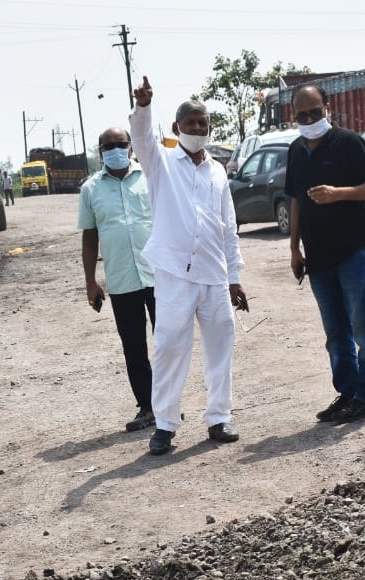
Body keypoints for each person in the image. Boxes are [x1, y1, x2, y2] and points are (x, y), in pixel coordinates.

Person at [129, 75, 248, 456]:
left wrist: (235, 276)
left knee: (220, 346)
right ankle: (165, 424)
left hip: (214, 274)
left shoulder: (217, 171)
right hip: (174, 275)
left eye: (203, 123)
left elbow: (229, 226)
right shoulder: (161, 162)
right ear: (178, 127)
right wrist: (144, 107)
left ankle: (218, 417)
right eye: (191, 123)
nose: (198, 129)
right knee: (169, 346)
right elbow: (142, 139)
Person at [285, 84, 365, 425]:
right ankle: (348, 394)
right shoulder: (296, 152)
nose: (310, 119)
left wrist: (337, 193)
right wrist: (294, 247)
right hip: (318, 259)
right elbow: (296, 199)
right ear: (293, 116)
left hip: (355, 252)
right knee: (336, 334)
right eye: (303, 115)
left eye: (316, 112)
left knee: (364, 327)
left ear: (327, 108)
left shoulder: (349, 143)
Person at [78, 126, 157, 432]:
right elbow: (89, 236)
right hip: (122, 281)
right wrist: (90, 281)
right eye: (107, 146)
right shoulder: (91, 189)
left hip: (158, 275)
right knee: (134, 347)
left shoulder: (150, 178)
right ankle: (148, 407)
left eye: (120, 144)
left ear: (131, 147)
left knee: (167, 344)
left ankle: (168, 403)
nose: (114, 149)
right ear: (100, 153)